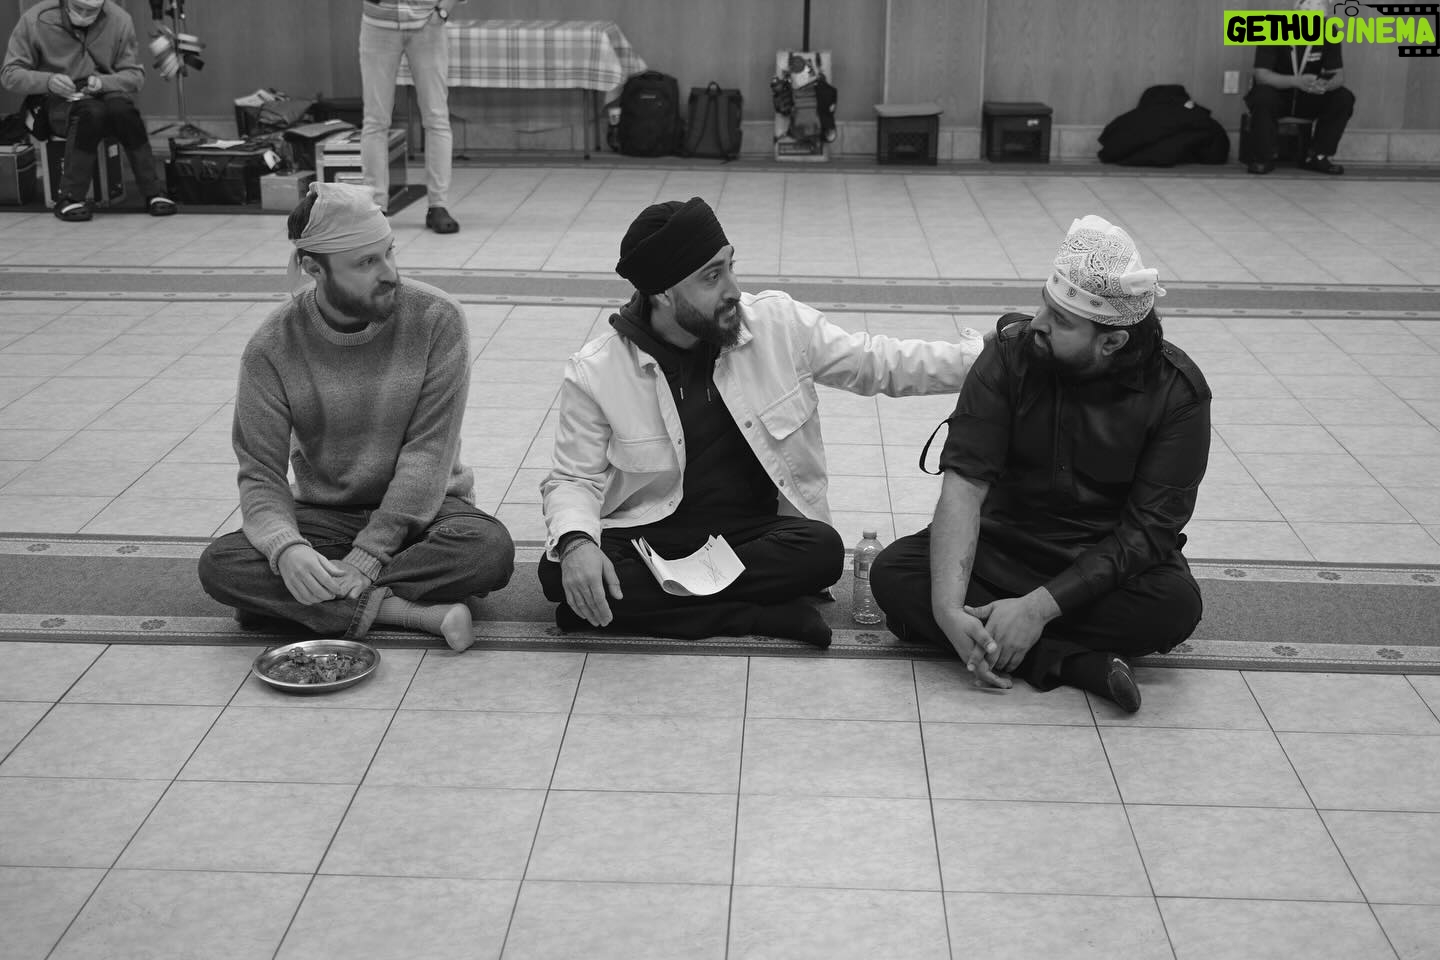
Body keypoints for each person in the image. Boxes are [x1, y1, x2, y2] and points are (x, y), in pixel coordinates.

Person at [539, 196, 984, 647]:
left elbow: (877, 362)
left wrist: (986, 357)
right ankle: (755, 614)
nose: (733, 288)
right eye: (712, 276)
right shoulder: (596, 370)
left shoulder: (777, 323)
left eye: (730, 266)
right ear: (663, 293)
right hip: (655, 533)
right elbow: (573, 480)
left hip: (756, 536)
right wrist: (577, 544)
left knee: (822, 550)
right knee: (559, 569)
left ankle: (659, 610)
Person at [869, 216, 1210, 713]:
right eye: (1044, 305)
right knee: (895, 574)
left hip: (1100, 562)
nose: (1039, 324)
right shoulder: (1009, 356)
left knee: (1174, 607)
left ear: (1112, 342)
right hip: (1000, 549)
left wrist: (1037, 608)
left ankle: (1006, 638)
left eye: (1062, 321)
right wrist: (945, 609)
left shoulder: (1177, 394)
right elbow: (965, 486)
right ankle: (1076, 665)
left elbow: (1148, 533)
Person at [198, 182, 513, 651]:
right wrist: (288, 548)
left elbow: (429, 455)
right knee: (221, 565)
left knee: (486, 551)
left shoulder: (436, 319)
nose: (390, 274)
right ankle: (407, 612)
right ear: (313, 268)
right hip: (325, 514)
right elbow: (261, 474)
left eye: (389, 252)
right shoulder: (271, 347)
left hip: (426, 511)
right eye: (366, 263)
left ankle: (300, 602)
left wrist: (366, 558)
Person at [1, 0, 176, 221]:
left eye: (91, 11)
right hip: (55, 100)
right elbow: (10, 75)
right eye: (78, 9)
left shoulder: (120, 19)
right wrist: (48, 81)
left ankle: (155, 192)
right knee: (91, 112)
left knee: (125, 111)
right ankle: (70, 197)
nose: (84, 15)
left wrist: (103, 83)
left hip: (104, 94)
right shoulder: (35, 19)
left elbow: (135, 76)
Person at [359, 0, 464, 233]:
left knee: (436, 117)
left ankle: (438, 205)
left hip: (427, 22)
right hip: (377, 23)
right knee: (375, 120)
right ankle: (375, 208)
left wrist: (443, 10)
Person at [1244, 0, 1355, 176]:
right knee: (1262, 95)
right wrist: (1295, 81)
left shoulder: (1329, 31)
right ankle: (1263, 158)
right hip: (1279, 94)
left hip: (1309, 95)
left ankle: (1318, 156)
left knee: (1344, 97)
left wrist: (1324, 85)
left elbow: (1338, 76)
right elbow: (1261, 75)